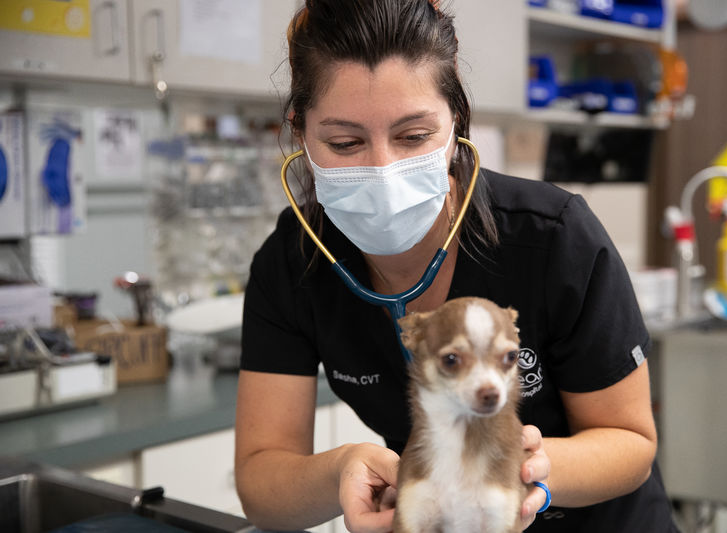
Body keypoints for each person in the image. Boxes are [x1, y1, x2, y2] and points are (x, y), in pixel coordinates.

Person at [235, 1, 677, 532]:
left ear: (455, 123)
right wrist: (339, 471)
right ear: (300, 133)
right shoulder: (292, 264)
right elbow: (261, 485)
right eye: (345, 143)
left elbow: (632, 443)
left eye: (414, 136)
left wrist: (524, 466)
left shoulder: (553, 238)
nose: (383, 169)